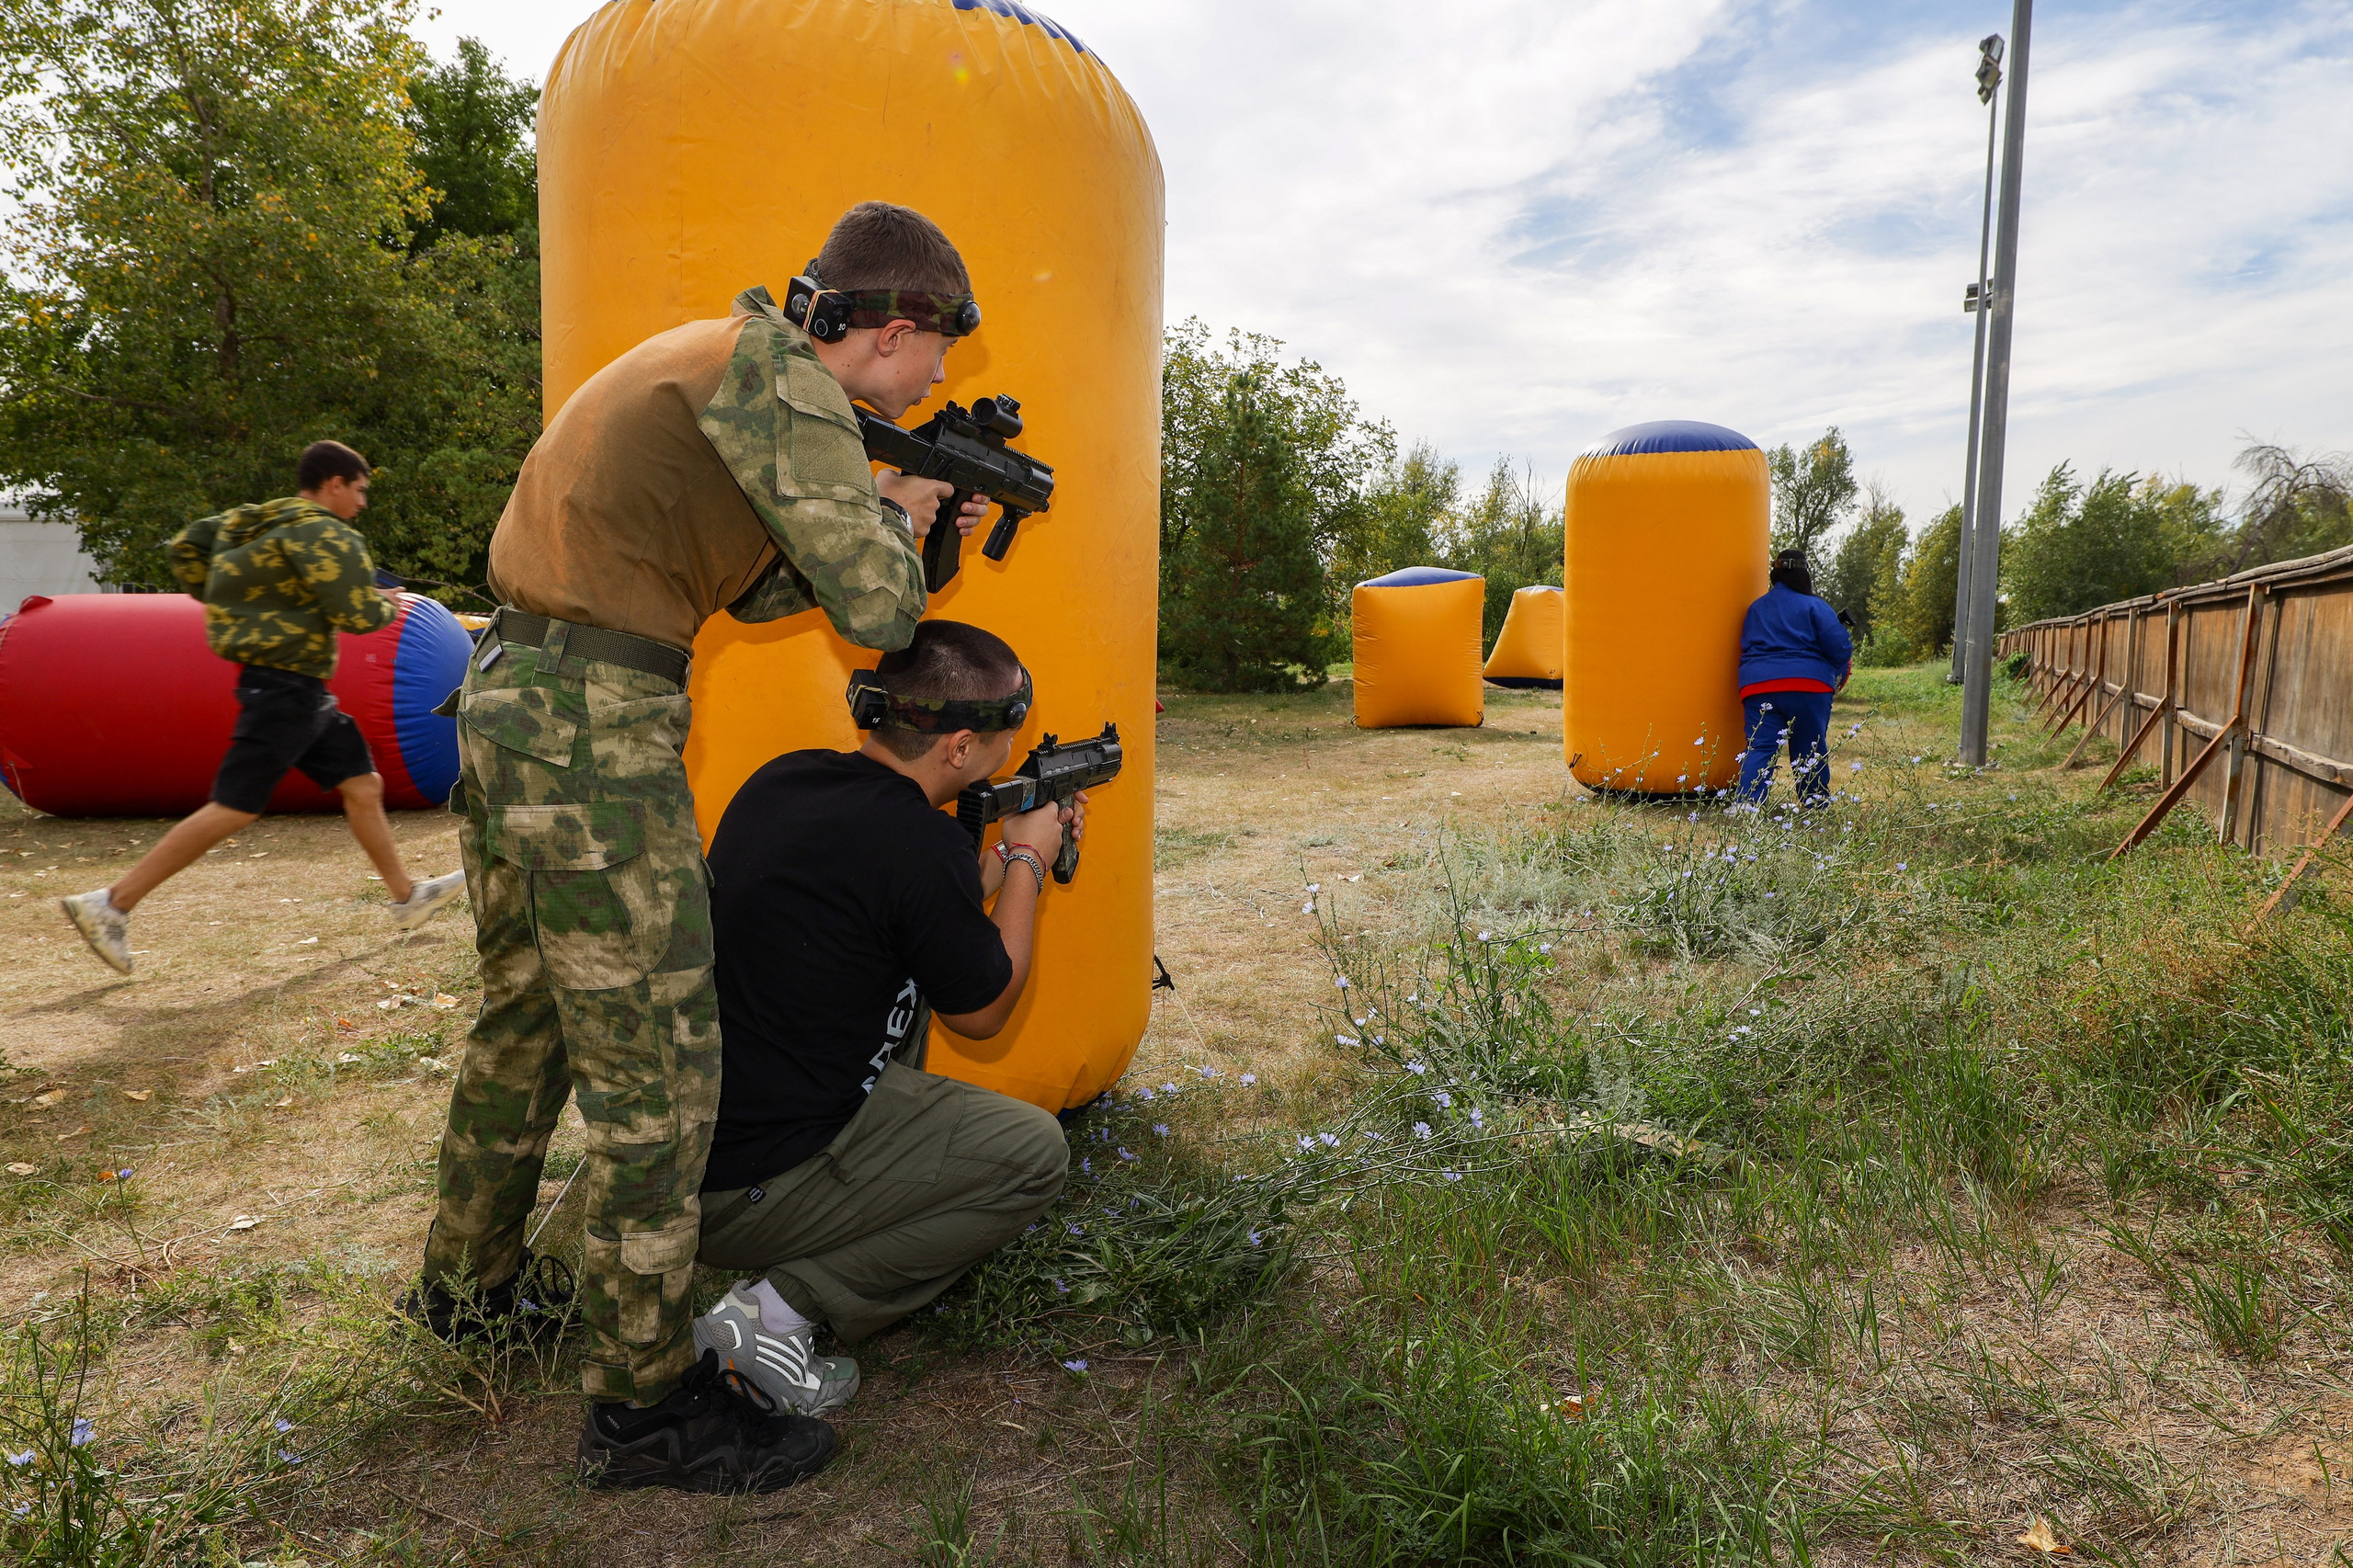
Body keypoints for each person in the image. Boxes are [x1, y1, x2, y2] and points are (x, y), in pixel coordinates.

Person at [402, 200, 994, 1496]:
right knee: (662, 1081)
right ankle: (645, 1406)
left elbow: (757, 582)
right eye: (938, 351)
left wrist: (880, 503)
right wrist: (898, 515)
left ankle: (467, 1290)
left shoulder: (722, 356)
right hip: (591, 733)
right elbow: (878, 610)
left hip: (517, 698)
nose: (937, 375)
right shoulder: (788, 387)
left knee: (527, 1023)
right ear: (893, 330)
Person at [688, 621, 1075, 1419]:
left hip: (691, 1153)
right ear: (960, 748)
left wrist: (993, 862)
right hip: (754, 1186)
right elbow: (984, 1011)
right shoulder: (916, 842)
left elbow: (901, 901)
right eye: (1006, 735)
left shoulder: (786, 780)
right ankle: (774, 1316)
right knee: (1034, 1154)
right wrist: (1029, 862)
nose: (1011, 750)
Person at [60, 441, 467, 971]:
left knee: (363, 785)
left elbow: (186, 547)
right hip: (286, 690)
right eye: (360, 490)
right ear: (335, 484)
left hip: (297, 689)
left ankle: (406, 896)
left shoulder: (252, 522)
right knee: (236, 806)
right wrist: (384, 604)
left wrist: (230, 601)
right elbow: (356, 614)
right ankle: (112, 903)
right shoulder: (327, 533)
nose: (362, 503)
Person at [1735, 549, 1854, 808]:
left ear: (1775, 575)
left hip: (1758, 685)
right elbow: (1840, 650)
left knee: (1760, 747)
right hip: (1807, 686)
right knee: (1810, 747)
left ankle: (1747, 804)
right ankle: (1814, 804)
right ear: (1804, 575)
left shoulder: (1756, 608)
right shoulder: (1815, 606)